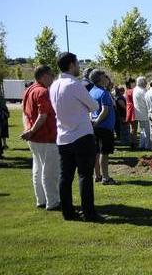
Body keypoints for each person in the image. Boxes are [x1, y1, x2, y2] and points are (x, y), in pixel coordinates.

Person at [49, 52, 103, 222]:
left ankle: (68, 212)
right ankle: (89, 212)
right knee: (85, 176)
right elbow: (94, 105)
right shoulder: (74, 84)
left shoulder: (54, 85)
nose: (79, 66)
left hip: (63, 136)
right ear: (71, 65)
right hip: (81, 135)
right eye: (77, 63)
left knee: (65, 177)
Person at [21, 65, 61, 210]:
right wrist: (31, 131)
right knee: (50, 171)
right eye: (51, 75)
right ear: (44, 76)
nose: (53, 77)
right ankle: (53, 201)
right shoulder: (43, 91)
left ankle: (41, 200)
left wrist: (29, 131)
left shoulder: (28, 90)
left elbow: (25, 113)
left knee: (38, 169)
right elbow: (43, 115)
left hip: (35, 139)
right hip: (46, 137)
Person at [88, 69, 118, 185]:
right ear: (100, 79)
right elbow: (105, 111)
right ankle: (106, 178)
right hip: (104, 127)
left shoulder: (91, 92)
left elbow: (90, 110)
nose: (107, 78)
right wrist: (97, 121)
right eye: (105, 76)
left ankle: (97, 175)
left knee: (96, 152)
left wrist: (93, 121)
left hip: (95, 126)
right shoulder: (103, 93)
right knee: (104, 153)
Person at [133, 76, 150, 151]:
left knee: (142, 130)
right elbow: (147, 102)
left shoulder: (135, 89)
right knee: (147, 131)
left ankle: (141, 144)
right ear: (142, 83)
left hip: (138, 113)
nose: (146, 83)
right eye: (145, 81)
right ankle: (147, 145)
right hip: (145, 113)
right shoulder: (143, 91)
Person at [0, 85, 10, 152]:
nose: (0, 90)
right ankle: (2, 145)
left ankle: (4, 144)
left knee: (4, 130)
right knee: (2, 130)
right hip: (2, 115)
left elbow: (4, 106)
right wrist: (5, 113)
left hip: (4, 114)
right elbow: (0, 107)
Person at [124, 78, 137, 149]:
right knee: (134, 128)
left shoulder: (127, 91)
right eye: (134, 83)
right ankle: (133, 143)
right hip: (132, 109)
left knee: (133, 128)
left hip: (129, 109)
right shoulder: (132, 91)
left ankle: (133, 142)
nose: (135, 84)